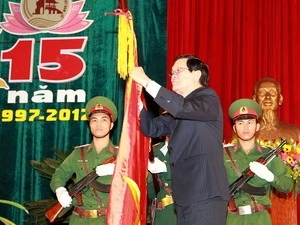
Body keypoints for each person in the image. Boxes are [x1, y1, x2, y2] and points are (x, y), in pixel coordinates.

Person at [129, 54, 229, 225]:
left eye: (179, 71)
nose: (173, 75)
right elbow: (151, 128)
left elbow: (182, 108)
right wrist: (137, 103)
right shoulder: (180, 109)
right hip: (184, 197)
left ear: (197, 74)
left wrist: (146, 81)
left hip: (205, 193)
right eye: (171, 72)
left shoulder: (207, 98)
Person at [50, 96, 118, 225]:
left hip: (109, 219)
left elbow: (140, 180)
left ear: (111, 125)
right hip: (79, 220)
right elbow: (59, 174)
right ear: (89, 125)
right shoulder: (78, 153)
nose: (98, 124)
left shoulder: (121, 155)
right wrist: (60, 190)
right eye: (94, 120)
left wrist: (120, 170)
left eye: (104, 120)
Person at [225, 98, 293, 225]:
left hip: (259, 219)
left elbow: (288, 185)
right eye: (240, 123)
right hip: (232, 219)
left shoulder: (267, 155)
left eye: (250, 122)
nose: (245, 127)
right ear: (234, 128)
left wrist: (270, 176)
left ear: (257, 127)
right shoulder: (223, 155)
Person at [147, 136, 177, 225]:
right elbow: (151, 192)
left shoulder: (192, 148)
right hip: (161, 215)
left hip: (180, 213)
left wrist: (166, 168)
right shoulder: (153, 151)